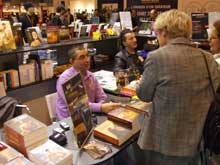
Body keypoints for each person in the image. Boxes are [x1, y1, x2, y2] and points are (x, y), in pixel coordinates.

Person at [136, 9, 220, 164]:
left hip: (166, 141)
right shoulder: (207, 58)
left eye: (157, 33)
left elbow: (144, 95)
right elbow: (214, 91)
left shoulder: (157, 57)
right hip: (198, 140)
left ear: (165, 32)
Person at [56, 45, 120, 120]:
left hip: (91, 114)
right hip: (70, 120)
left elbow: (102, 97)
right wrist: (100, 107)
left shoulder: (91, 76)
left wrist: (101, 105)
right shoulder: (65, 79)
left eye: (87, 56)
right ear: (72, 61)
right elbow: (77, 105)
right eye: (82, 57)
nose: (87, 60)